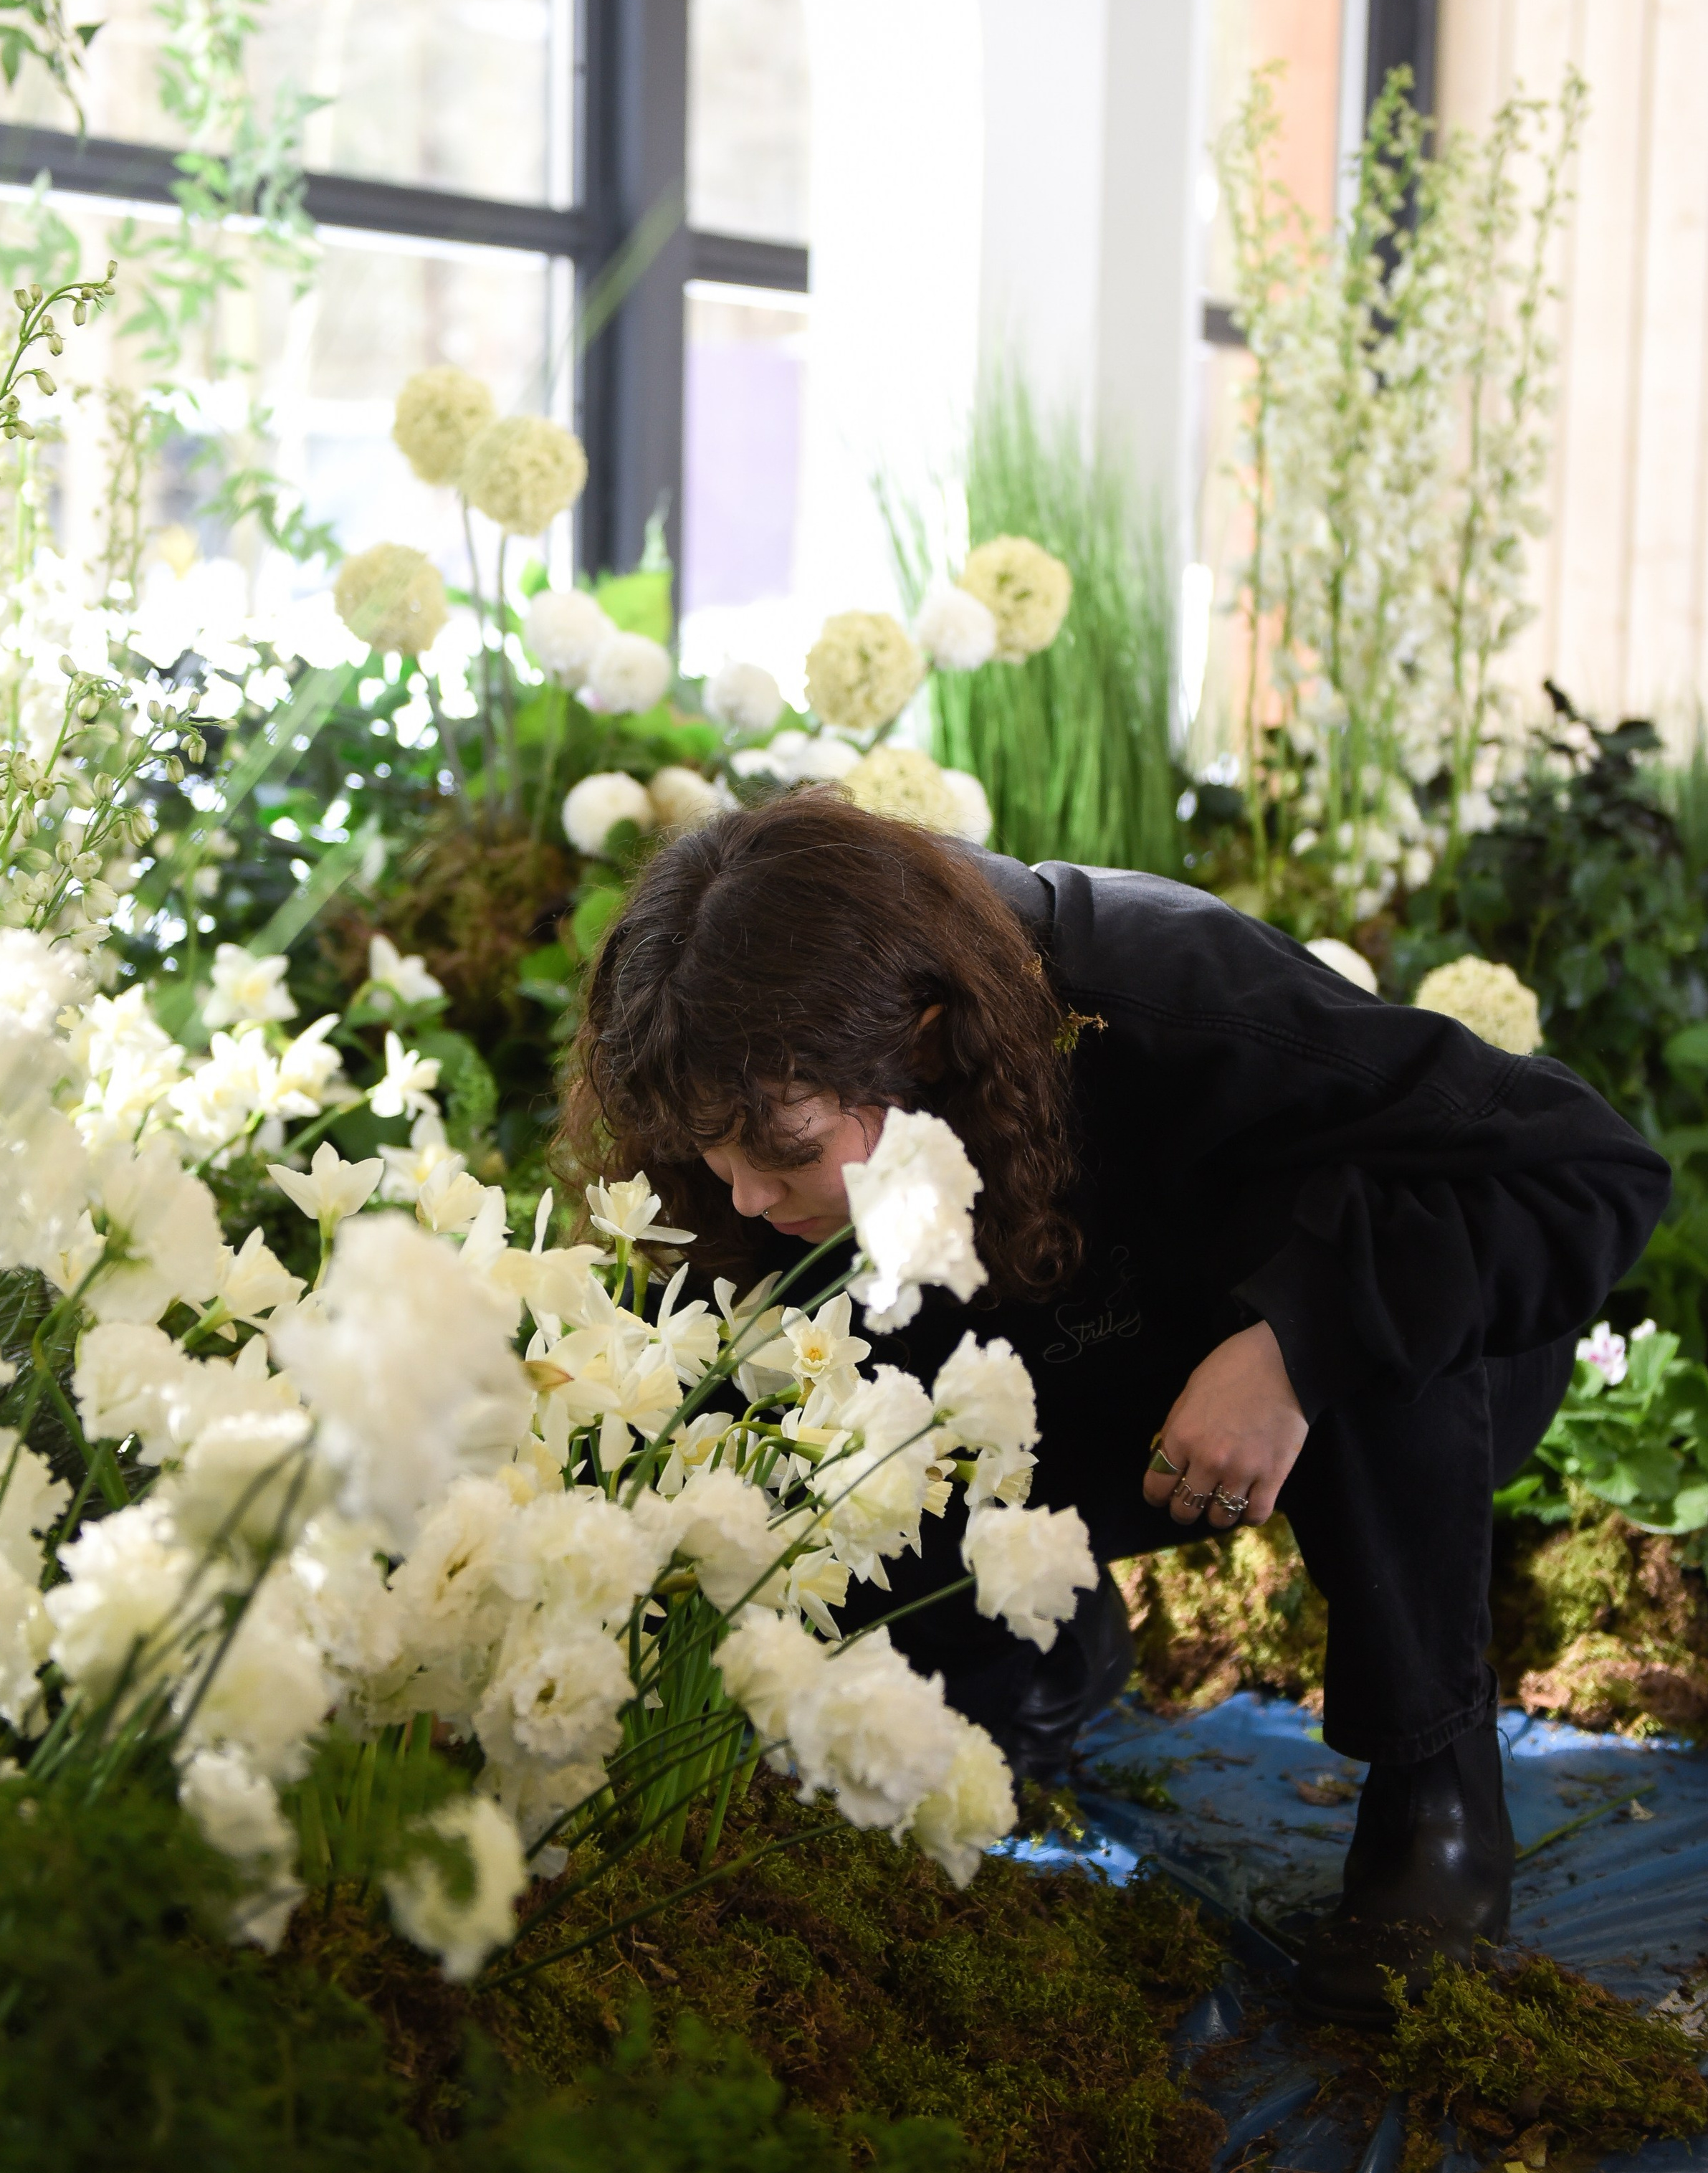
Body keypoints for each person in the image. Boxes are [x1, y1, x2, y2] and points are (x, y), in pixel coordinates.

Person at [558, 791, 1668, 2025]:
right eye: (718, 1156)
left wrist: (1301, 1345)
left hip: (1310, 1378)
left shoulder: (1159, 982)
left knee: (1378, 1262)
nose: (749, 1194)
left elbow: (1585, 1168)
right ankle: (1026, 1644)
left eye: (790, 1151)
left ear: (921, 1037)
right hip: (1062, 1381)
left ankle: (1437, 1785)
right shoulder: (737, 1094)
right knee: (790, 1389)